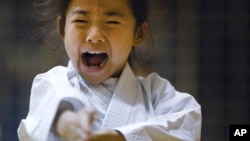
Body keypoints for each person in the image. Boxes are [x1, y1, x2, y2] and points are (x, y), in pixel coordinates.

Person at [18, 0, 202, 140]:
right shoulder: (53, 82)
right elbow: (52, 107)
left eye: (112, 22)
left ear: (139, 33)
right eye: (81, 20)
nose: (95, 35)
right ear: (62, 29)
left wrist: (117, 137)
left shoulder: (156, 94)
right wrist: (67, 124)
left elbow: (187, 124)